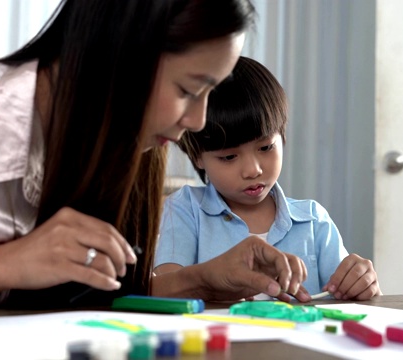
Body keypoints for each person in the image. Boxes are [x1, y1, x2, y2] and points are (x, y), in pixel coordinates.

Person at [0, 0, 307, 314]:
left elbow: (93, 299)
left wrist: (199, 279)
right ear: (117, 55)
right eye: (187, 89)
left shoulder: (128, 142)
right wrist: (8, 264)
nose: (197, 122)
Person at [153, 57, 381, 302]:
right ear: (198, 157)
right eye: (229, 156)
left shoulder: (313, 221)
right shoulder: (186, 209)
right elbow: (163, 290)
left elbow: (348, 302)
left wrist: (361, 284)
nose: (253, 170)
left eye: (265, 148)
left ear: (281, 136)